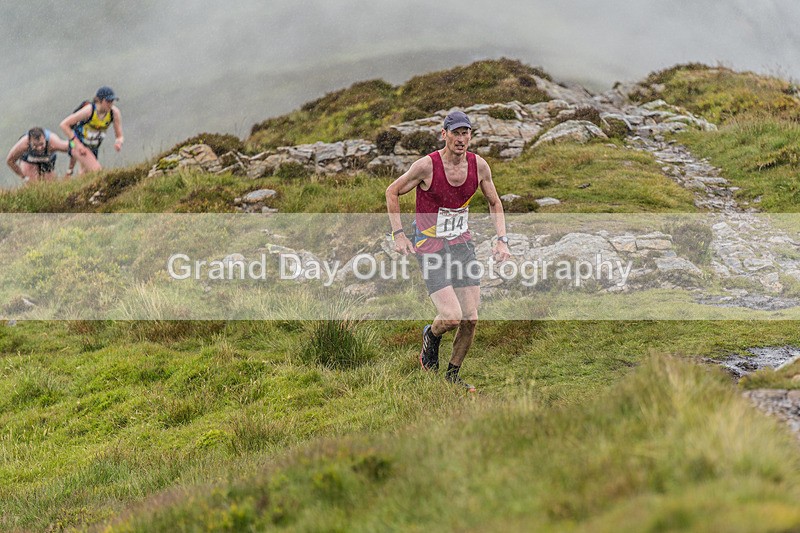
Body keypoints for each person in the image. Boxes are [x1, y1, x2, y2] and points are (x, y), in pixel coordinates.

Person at [385, 110, 511, 392]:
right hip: (430, 248)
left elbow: (494, 202)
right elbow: (392, 191)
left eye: (466, 133)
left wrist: (502, 239)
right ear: (444, 134)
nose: (461, 139)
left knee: (471, 317)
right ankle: (431, 334)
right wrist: (399, 234)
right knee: (452, 317)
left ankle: (453, 375)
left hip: (461, 245)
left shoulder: (479, 166)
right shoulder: (426, 166)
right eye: (456, 133)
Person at [60, 86, 124, 176]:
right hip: (76, 144)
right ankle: (70, 171)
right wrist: (77, 144)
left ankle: (74, 186)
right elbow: (64, 124)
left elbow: (119, 136)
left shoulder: (114, 113)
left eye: (112, 101)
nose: (111, 104)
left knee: (85, 175)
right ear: (99, 100)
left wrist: (118, 143)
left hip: (93, 148)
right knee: (97, 172)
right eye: (108, 101)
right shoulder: (89, 111)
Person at [6, 127, 70, 184]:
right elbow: (10, 161)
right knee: (33, 185)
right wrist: (23, 177)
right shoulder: (23, 145)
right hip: (29, 159)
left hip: (47, 159)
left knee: (51, 184)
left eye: (41, 144)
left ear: (45, 139)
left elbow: (73, 146)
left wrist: (70, 170)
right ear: (29, 141)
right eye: (35, 145)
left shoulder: (54, 142)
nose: (39, 148)